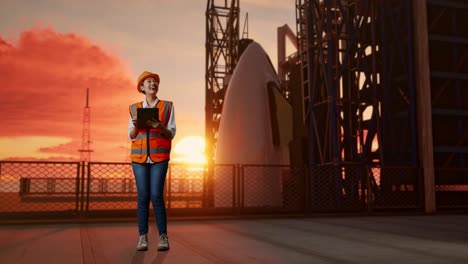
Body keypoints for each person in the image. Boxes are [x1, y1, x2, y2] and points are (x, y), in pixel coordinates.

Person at [128, 71, 176, 251]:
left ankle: (163, 237)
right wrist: (134, 125)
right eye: (149, 81)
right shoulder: (133, 108)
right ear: (142, 87)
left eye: (155, 81)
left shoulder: (168, 106)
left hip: (159, 157)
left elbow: (171, 133)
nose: (152, 83)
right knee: (143, 198)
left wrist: (160, 126)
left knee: (156, 196)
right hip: (139, 158)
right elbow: (131, 136)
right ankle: (143, 238)